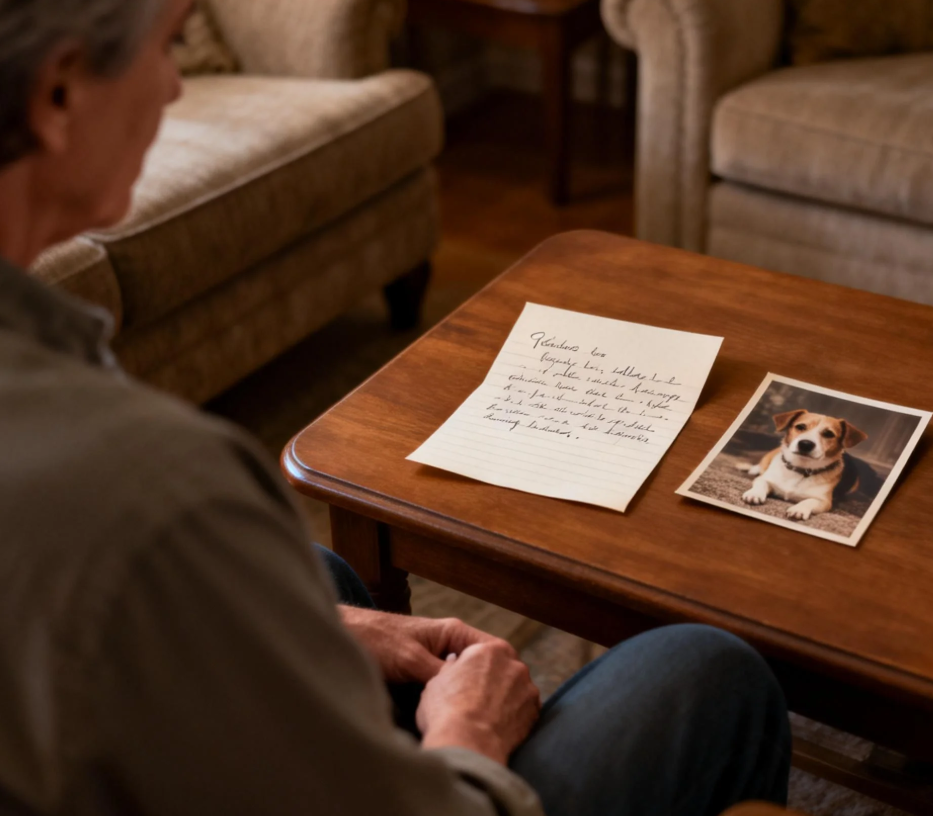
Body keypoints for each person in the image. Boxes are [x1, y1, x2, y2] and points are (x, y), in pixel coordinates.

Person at [0, 1, 792, 814]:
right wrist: (468, 738)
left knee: (323, 577)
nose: (173, 87)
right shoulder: (161, 495)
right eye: (165, 48)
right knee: (707, 669)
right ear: (58, 95)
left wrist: (331, 627)